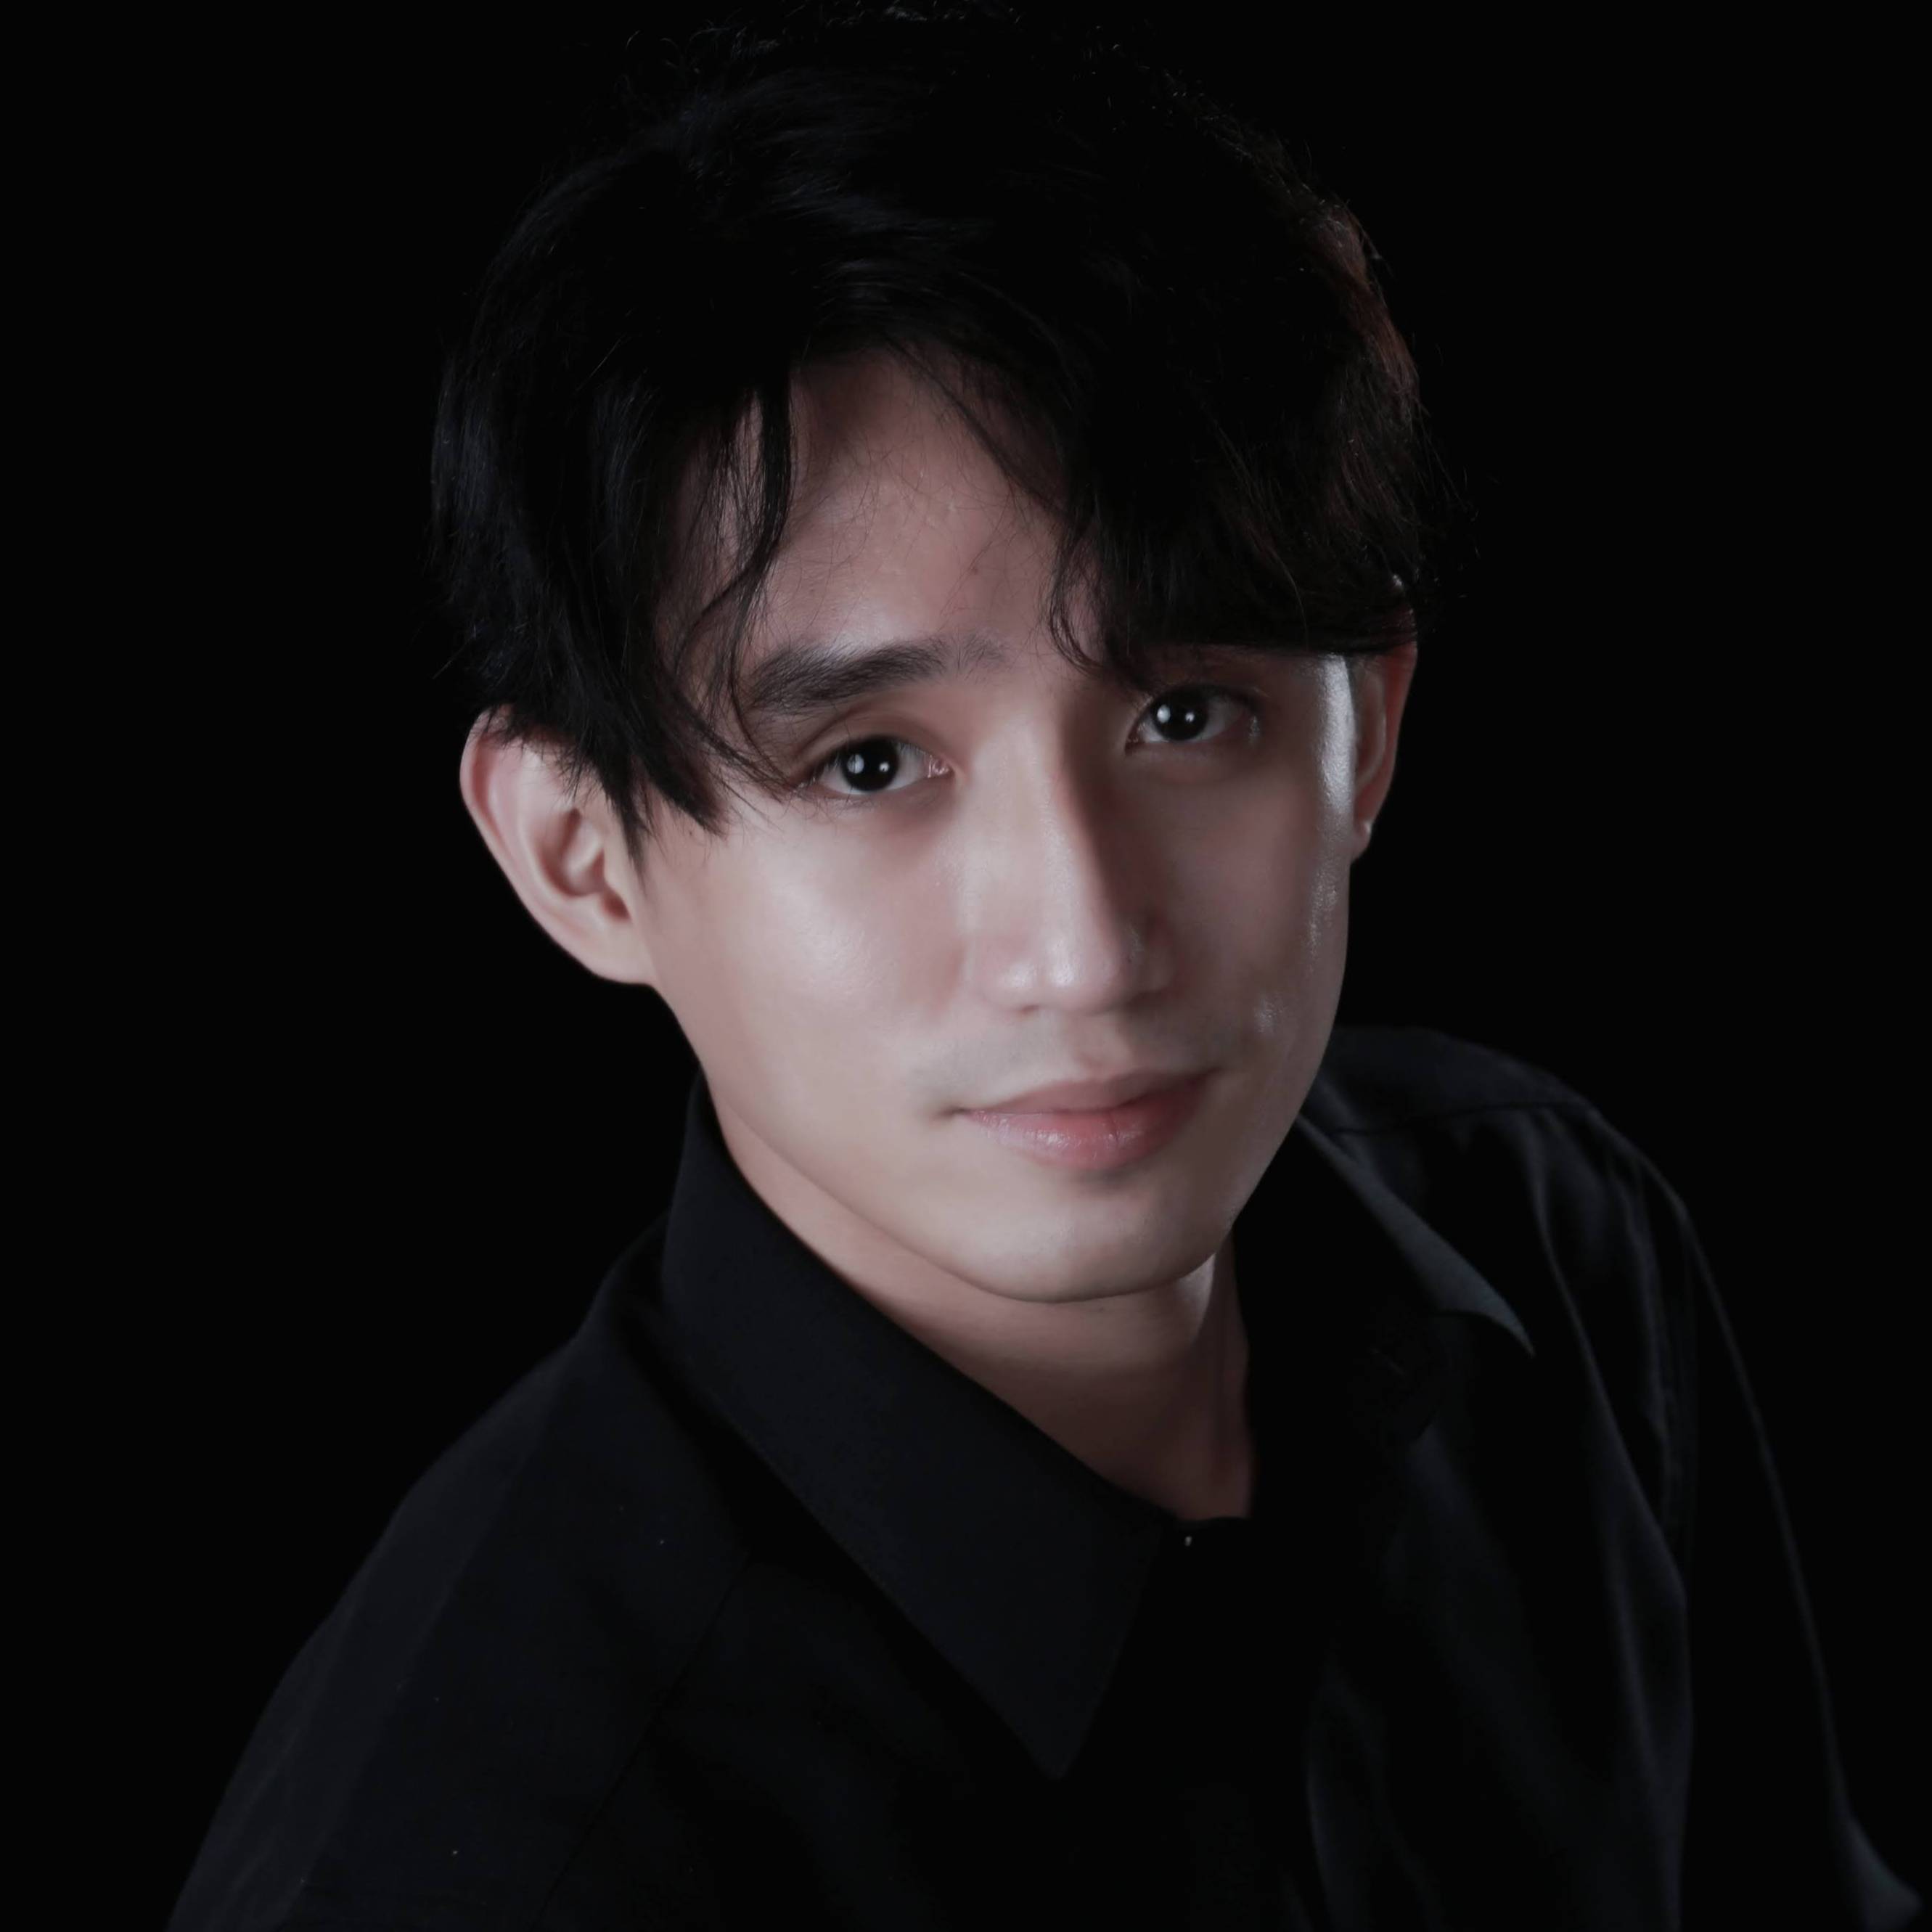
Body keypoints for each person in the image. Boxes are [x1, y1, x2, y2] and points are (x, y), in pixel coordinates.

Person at [171, 5, 1922, 1928]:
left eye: (1187, 715)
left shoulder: (1558, 1248)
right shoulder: (477, 1862)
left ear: (1371, 737)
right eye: (870, 765)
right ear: (582, 860)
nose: (1084, 947)